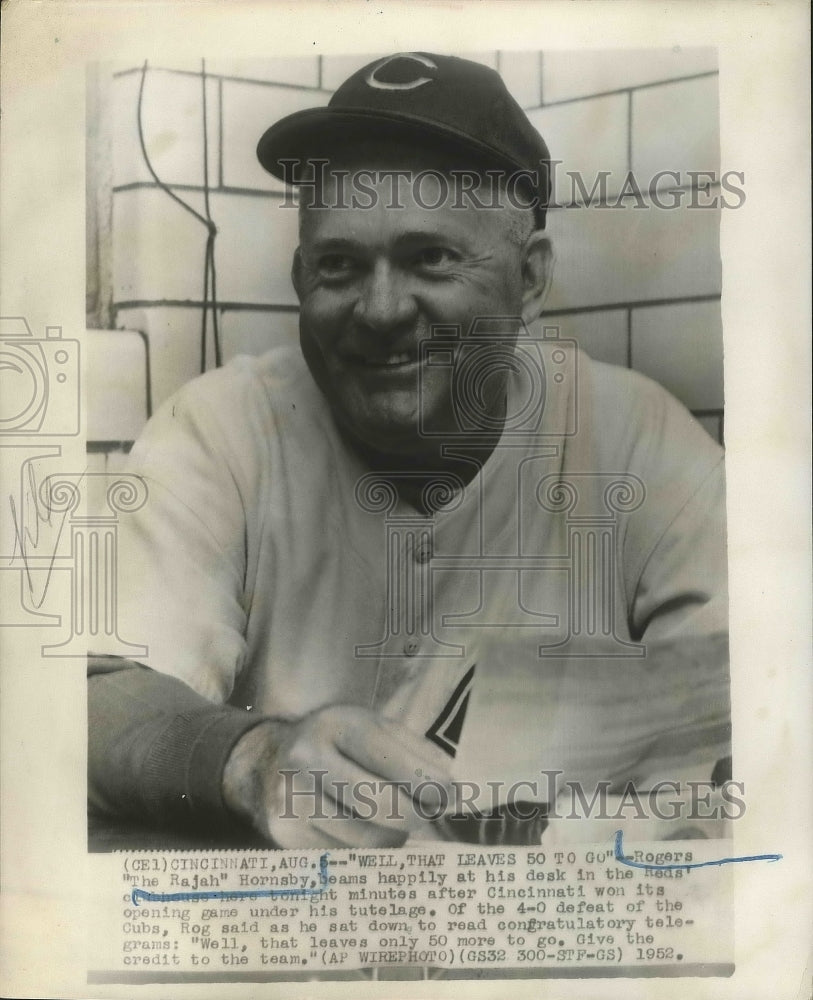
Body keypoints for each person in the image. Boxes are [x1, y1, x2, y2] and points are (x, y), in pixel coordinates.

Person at [88, 53, 730, 851]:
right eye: (339, 266)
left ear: (528, 279)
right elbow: (96, 697)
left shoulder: (635, 437)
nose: (381, 308)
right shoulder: (222, 427)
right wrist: (250, 760)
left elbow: (753, 706)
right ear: (299, 279)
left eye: (431, 257)